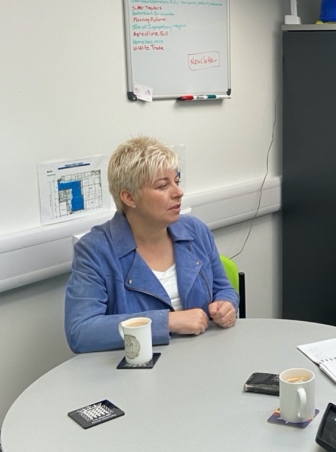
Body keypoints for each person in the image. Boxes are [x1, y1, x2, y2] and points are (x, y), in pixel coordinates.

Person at [65, 136, 238, 353]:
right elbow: (81, 332)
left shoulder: (195, 230)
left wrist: (227, 305)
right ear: (129, 197)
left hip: (203, 357)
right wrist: (168, 322)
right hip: (139, 371)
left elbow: (223, 288)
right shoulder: (95, 250)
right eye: (163, 185)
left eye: (177, 181)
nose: (178, 192)